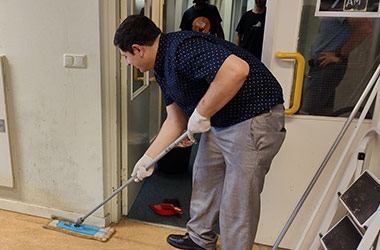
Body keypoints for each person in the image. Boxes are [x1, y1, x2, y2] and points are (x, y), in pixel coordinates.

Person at [114, 15, 286, 250]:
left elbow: (236, 70)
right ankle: (200, 239)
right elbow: (175, 121)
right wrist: (147, 159)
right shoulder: (162, 67)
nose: (127, 63)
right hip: (222, 120)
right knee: (205, 176)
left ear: (138, 49)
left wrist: (201, 113)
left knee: (238, 198)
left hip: (253, 118)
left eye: (126, 57)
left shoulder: (183, 48)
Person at [299, 17, 373, 116]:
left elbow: (366, 28)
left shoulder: (340, 7)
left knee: (306, 113)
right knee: (324, 112)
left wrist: (339, 54)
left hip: (327, 67)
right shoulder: (331, 9)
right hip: (320, 67)